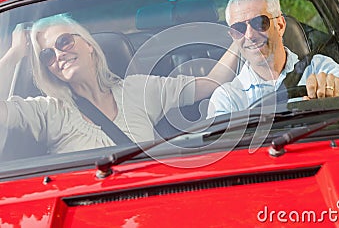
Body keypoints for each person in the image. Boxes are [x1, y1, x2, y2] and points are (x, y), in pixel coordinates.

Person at [0, 14, 238, 154]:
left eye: (64, 42)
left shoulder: (137, 90)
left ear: (89, 45)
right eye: (47, 55)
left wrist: (241, 39)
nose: (59, 55)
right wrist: (13, 55)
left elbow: (212, 82)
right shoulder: (49, 110)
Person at [207, 0, 339, 117]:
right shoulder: (227, 99)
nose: (249, 35)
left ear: (280, 25)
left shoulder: (318, 66)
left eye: (260, 23)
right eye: (239, 28)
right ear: (233, 36)